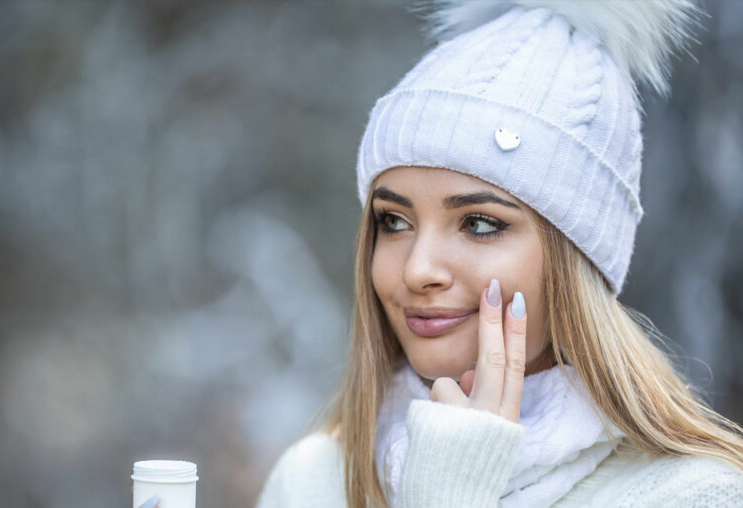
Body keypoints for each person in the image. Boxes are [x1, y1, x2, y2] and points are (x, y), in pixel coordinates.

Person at [255, 1, 743, 507]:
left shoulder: (694, 495)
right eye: (394, 222)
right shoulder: (313, 480)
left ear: (577, 261)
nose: (418, 269)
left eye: (480, 224)